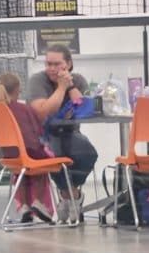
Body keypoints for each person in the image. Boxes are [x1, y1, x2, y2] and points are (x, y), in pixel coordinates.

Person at [26, 44, 98, 222]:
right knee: (56, 153)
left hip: (71, 133)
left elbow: (84, 109)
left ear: (68, 64)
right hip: (44, 136)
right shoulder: (37, 80)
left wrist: (70, 86)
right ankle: (73, 196)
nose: (51, 68)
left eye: (57, 64)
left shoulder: (78, 80)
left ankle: (67, 196)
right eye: (48, 64)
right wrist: (60, 88)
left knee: (88, 153)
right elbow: (42, 113)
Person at [0, 71, 57, 223]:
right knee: (43, 163)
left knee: (21, 170)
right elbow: (36, 133)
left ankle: (23, 206)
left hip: (10, 157)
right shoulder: (24, 109)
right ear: (18, 89)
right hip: (29, 154)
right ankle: (38, 202)